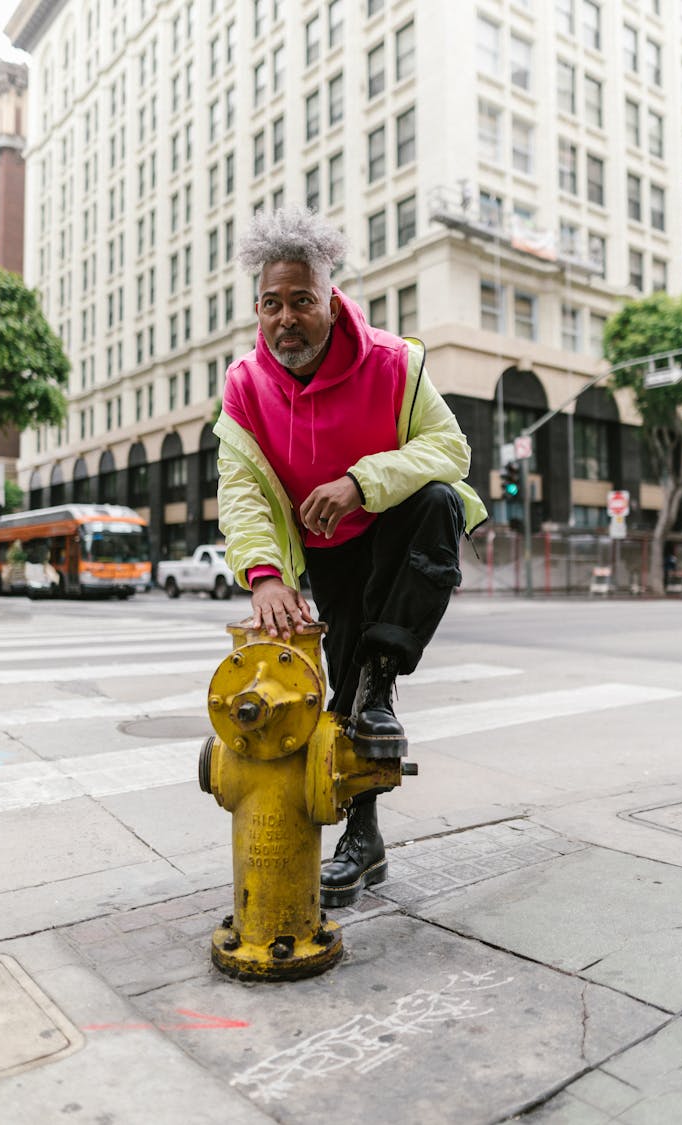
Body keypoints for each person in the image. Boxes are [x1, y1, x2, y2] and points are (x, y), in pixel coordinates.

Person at [214, 207, 487, 908]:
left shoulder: (394, 363)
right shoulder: (245, 384)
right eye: (272, 303)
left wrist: (361, 481)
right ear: (258, 308)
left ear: (331, 302)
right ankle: (364, 840)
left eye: (301, 300)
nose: (286, 319)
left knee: (438, 502)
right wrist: (268, 576)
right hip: (323, 556)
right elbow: (241, 489)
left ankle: (383, 677)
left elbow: (451, 450)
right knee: (338, 701)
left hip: (393, 532)